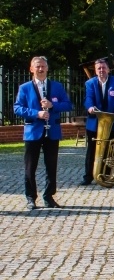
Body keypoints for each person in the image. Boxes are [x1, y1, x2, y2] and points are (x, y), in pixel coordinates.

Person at [13, 56, 73, 209]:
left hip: (52, 131)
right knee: (30, 167)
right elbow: (17, 108)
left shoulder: (57, 86)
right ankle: (30, 197)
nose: (40, 69)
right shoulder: (25, 87)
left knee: (51, 166)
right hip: (33, 132)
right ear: (31, 69)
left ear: (47, 68)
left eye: (43, 66)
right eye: (37, 67)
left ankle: (49, 196)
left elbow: (68, 105)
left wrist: (53, 105)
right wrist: (36, 113)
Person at [81, 58, 114, 186]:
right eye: (98, 68)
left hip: (112, 122)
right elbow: (88, 98)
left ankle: (107, 175)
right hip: (94, 123)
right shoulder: (90, 83)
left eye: (103, 68)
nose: (101, 70)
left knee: (110, 151)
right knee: (92, 150)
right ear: (95, 70)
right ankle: (88, 176)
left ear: (108, 69)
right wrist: (90, 107)